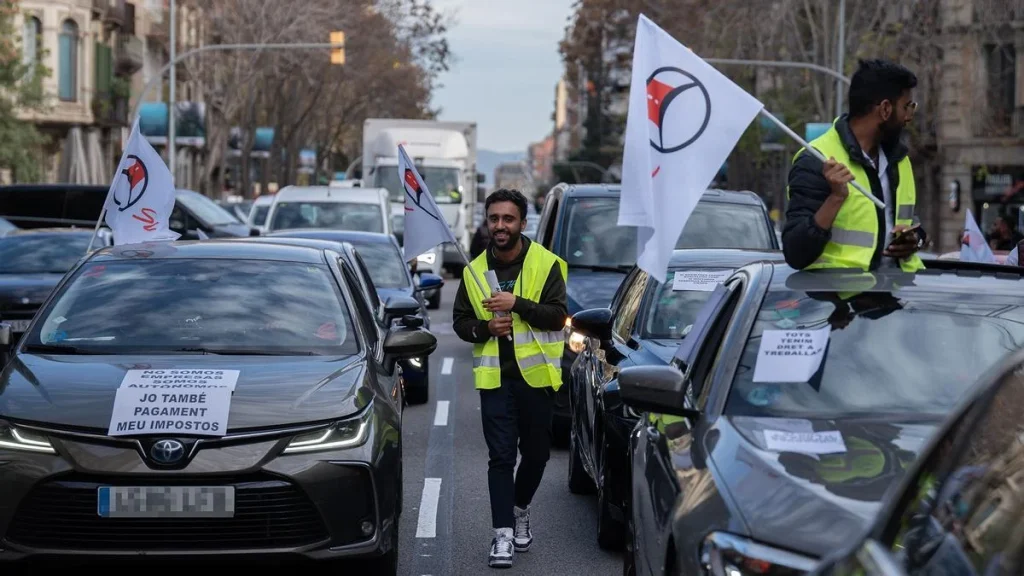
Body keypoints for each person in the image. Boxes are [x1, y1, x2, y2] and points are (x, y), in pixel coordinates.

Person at [452, 188, 568, 569]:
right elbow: (460, 323)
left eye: (508, 219)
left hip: (537, 379)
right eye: (494, 219)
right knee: (500, 457)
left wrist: (515, 304)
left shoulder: (546, 263)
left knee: (535, 455)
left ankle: (520, 509)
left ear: (522, 222)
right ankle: (501, 534)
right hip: (495, 381)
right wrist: (485, 327)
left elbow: (557, 318)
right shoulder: (473, 271)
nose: (500, 226)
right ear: (487, 222)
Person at [783, 59, 926, 272]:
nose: (909, 117)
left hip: (897, 295)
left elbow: (905, 222)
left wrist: (916, 239)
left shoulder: (899, 160)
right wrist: (836, 198)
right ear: (885, 109)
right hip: (838, 299)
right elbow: (796, 252)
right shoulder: (816, 160)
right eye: (907, 107)